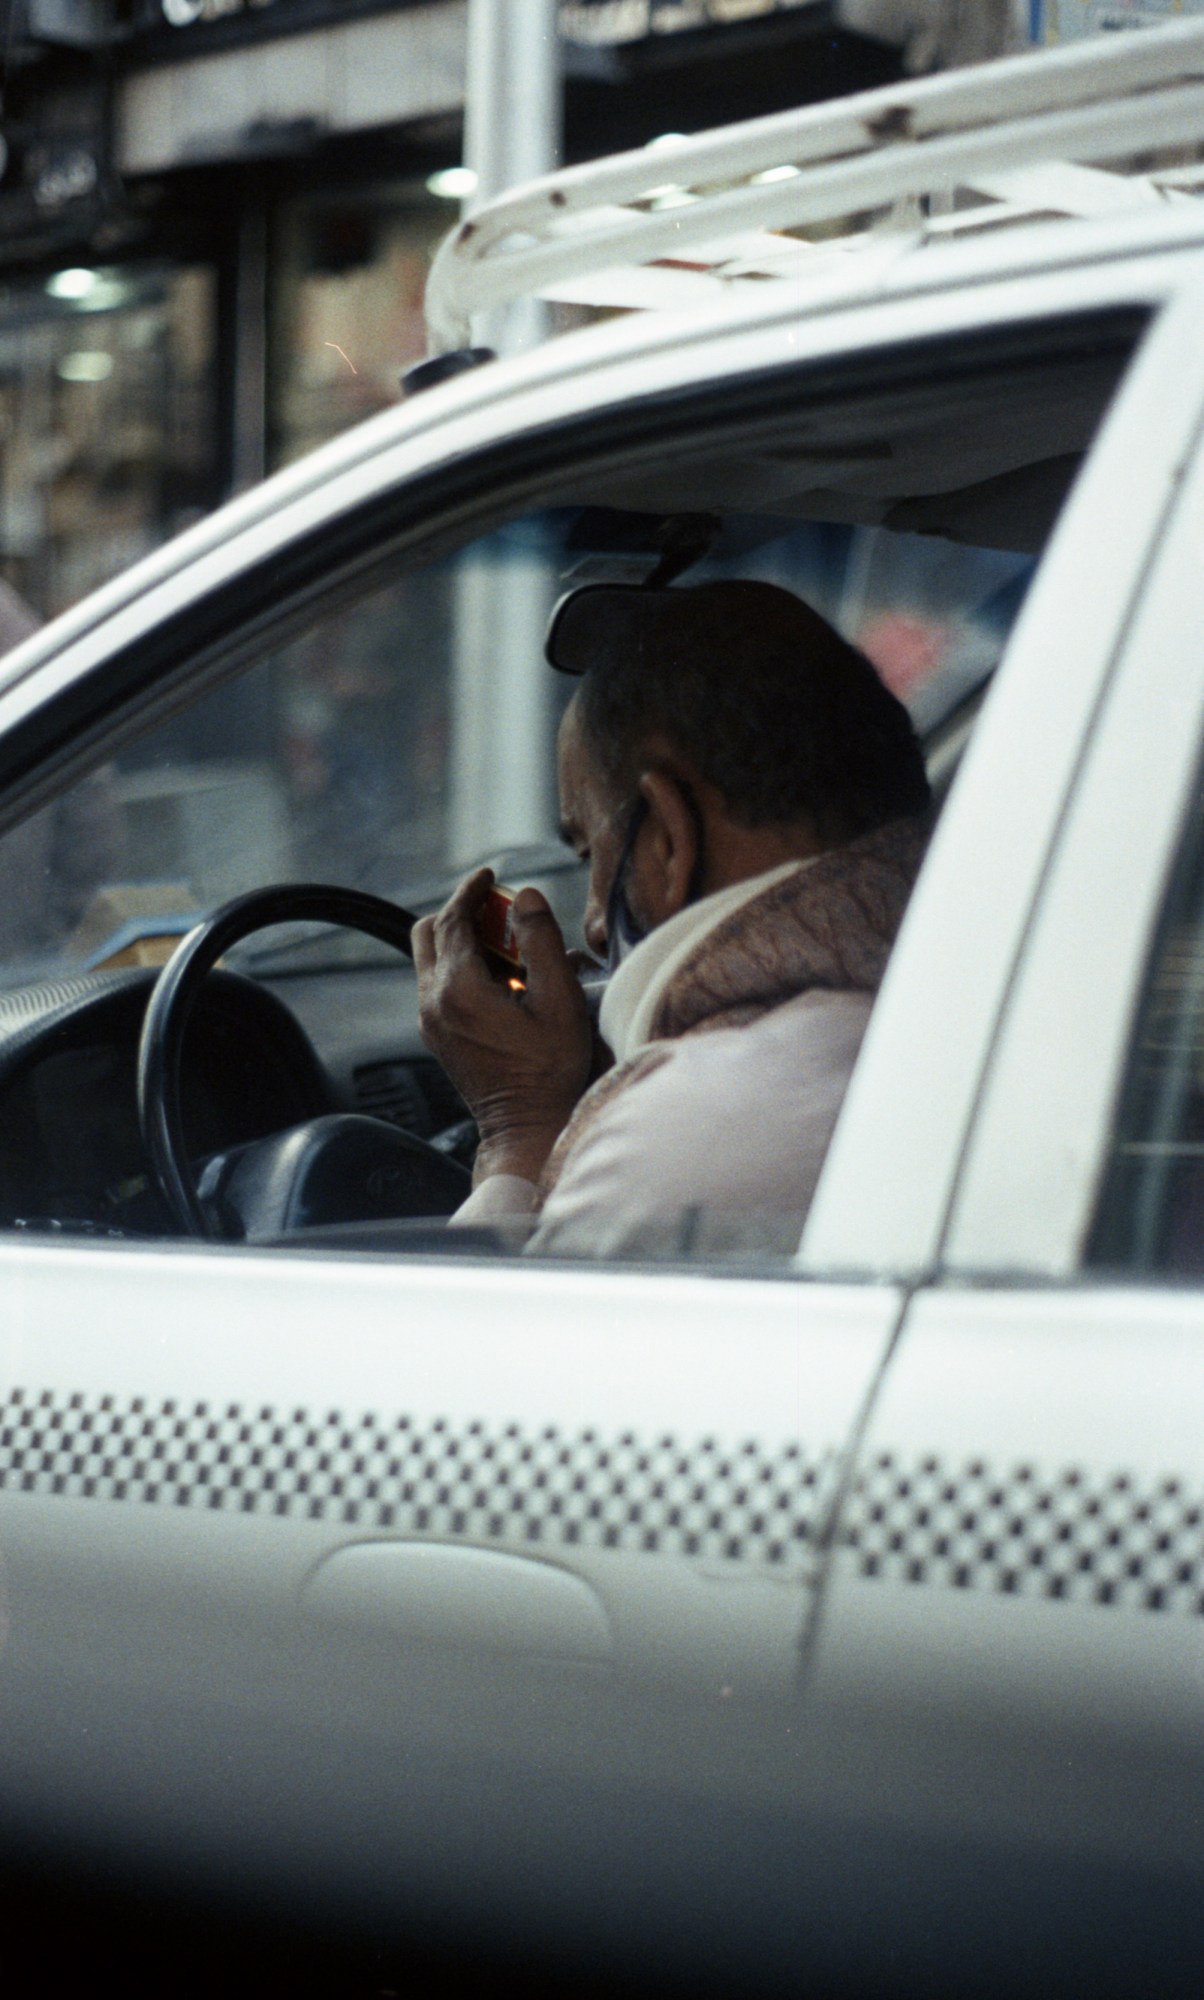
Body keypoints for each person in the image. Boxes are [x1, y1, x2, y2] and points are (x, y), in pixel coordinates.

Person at [413, 578, 932, 1257]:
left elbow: (465, 1355)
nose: (595, 927)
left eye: (589, 850)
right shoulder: (971, 1008)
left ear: (665, 838)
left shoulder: (688, 1137)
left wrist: (521, 1132)